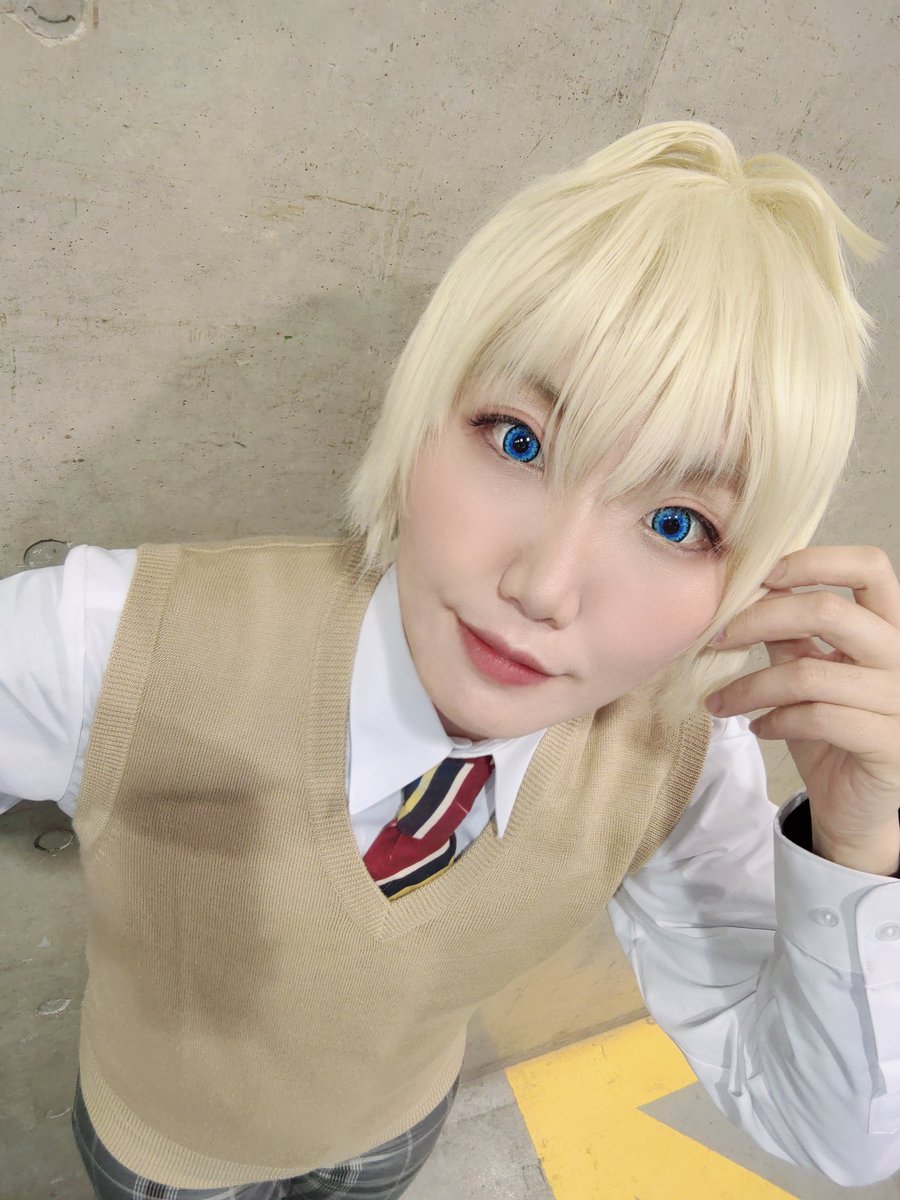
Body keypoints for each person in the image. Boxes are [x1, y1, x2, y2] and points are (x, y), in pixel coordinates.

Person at [2, 121, 899, 1198]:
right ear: (420, 406)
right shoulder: (117, 640)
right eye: (518, 439)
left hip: (398, 1131)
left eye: (678, 523)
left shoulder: (677, 763)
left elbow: (835, 1135)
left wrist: (856, 848)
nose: (546, 586)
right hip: (165, 1153)